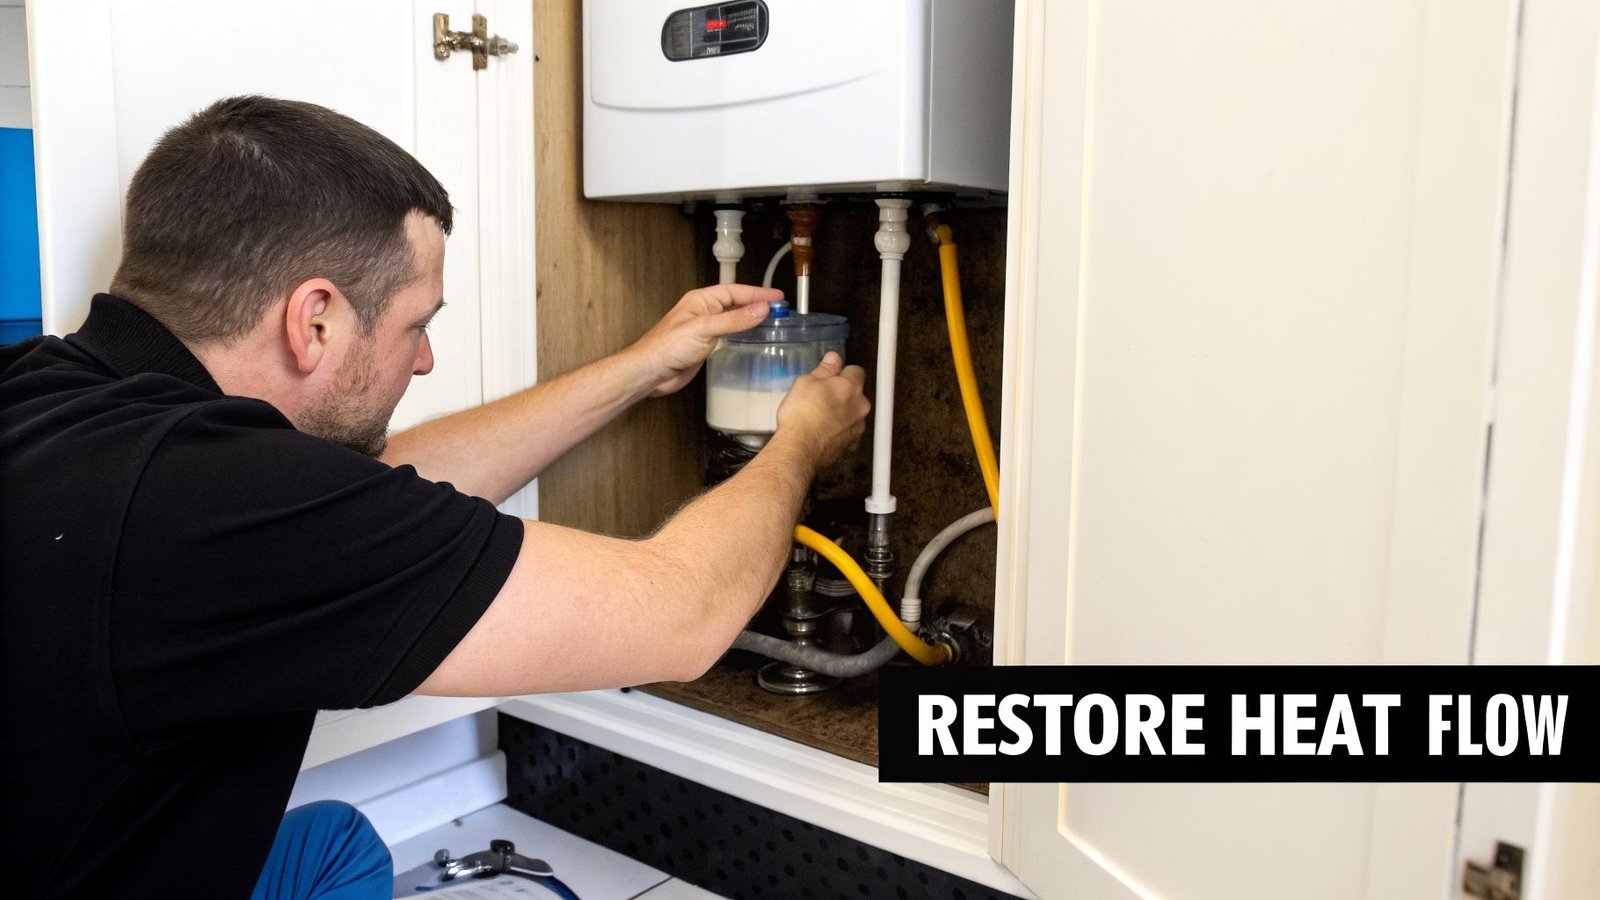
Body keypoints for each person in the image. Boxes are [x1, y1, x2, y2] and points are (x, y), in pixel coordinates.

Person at [0, 95, 870, 898]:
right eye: (416, 323)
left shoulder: (56, 396)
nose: (423, 361)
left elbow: (354, 504)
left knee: (337, 846)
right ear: (314, 319)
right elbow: (686, 613)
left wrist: (643, 366)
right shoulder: (209, 503)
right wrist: (801, 438)